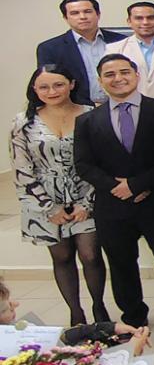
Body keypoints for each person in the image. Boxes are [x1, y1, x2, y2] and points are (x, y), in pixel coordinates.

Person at [73, 54, 154, 328]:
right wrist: (117, 187)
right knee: (121, 262)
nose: (118, 78)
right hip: (113, 205)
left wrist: (137, 185)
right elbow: (83, 164)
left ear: (136, 75)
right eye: (110, 74)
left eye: (124, 72)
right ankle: (133, 314)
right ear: (100, 81)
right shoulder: (87, 121)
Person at [11, 65, 105, 326]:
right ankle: (76, 313)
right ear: (35, 89)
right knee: (62, 257)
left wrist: (87, 202)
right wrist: (48, 207)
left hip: (87, 196)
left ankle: (99, 309)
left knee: (91, 255)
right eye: (44, 87)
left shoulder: (91, 114)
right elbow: (21, 168)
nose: (51, 91)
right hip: (44, 202)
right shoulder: (23, 122)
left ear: (71, 84)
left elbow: (103, 161)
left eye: (58, 85)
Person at [0, 278, 153, 357]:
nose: (16, 304)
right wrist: (129, 352)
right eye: (7, 308)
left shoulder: (19, 331)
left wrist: (111, 329)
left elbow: (61, 337)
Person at [36, 0, 127, 105]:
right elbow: (50, 82)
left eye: (87, 11)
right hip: (77, 109)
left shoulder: (122, 40)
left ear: (98, 14)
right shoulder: (50, 48)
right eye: (75, 13)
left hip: (122, 104)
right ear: (65, 18)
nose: (82, 17)